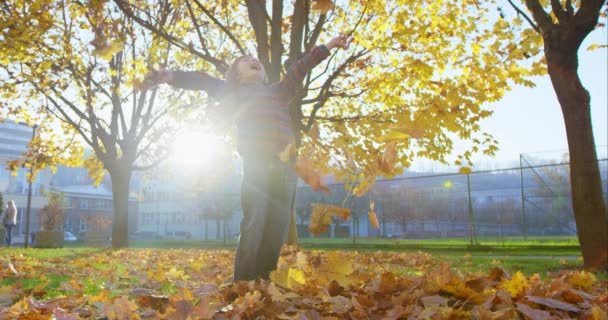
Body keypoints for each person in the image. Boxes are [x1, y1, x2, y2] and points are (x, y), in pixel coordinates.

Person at [145, 35, 350, 281]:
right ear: (237, 75)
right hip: (257, 163)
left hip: (285, 167)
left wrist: (327, 47)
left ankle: (265, 279)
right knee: (256, 218)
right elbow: (202, 80)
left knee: (278, 223)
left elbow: (299, 69)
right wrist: (169, 77)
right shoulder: (232, 91)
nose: (255, 60)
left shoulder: (278, 93)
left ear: (264, 75)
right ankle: (243, 281)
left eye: (257, 61)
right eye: (245, 61)